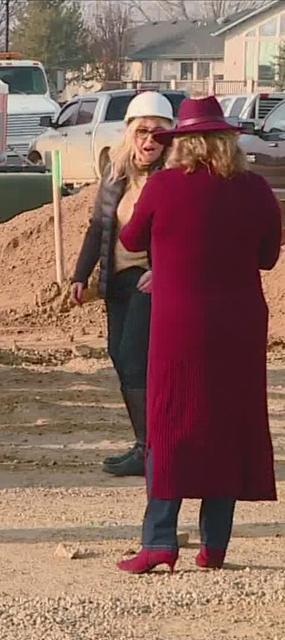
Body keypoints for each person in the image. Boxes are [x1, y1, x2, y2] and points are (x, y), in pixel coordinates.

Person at [115, 96, 281, 574]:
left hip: (179, 323)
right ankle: (215, 546)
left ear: (182, 144)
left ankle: (160, 541)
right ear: (230, 141)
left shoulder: (165, 186)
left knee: (170, 424)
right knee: (226, 424)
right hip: (240, 321)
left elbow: (130, 241)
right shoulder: (255, 189)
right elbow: (268, 256)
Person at [70, 92, 173, 478]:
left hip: (153, 284)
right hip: (118, 281)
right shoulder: (116, 174)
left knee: (135, 360)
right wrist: (81, 275)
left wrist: (166, 270)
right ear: (130, 133)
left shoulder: (174, 178)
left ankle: (152, 450)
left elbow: (184, 234)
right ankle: (143, 444)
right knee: (119, 356)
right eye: (143, 132)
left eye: (159, 134)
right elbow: (99, 225)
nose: (150, 141)